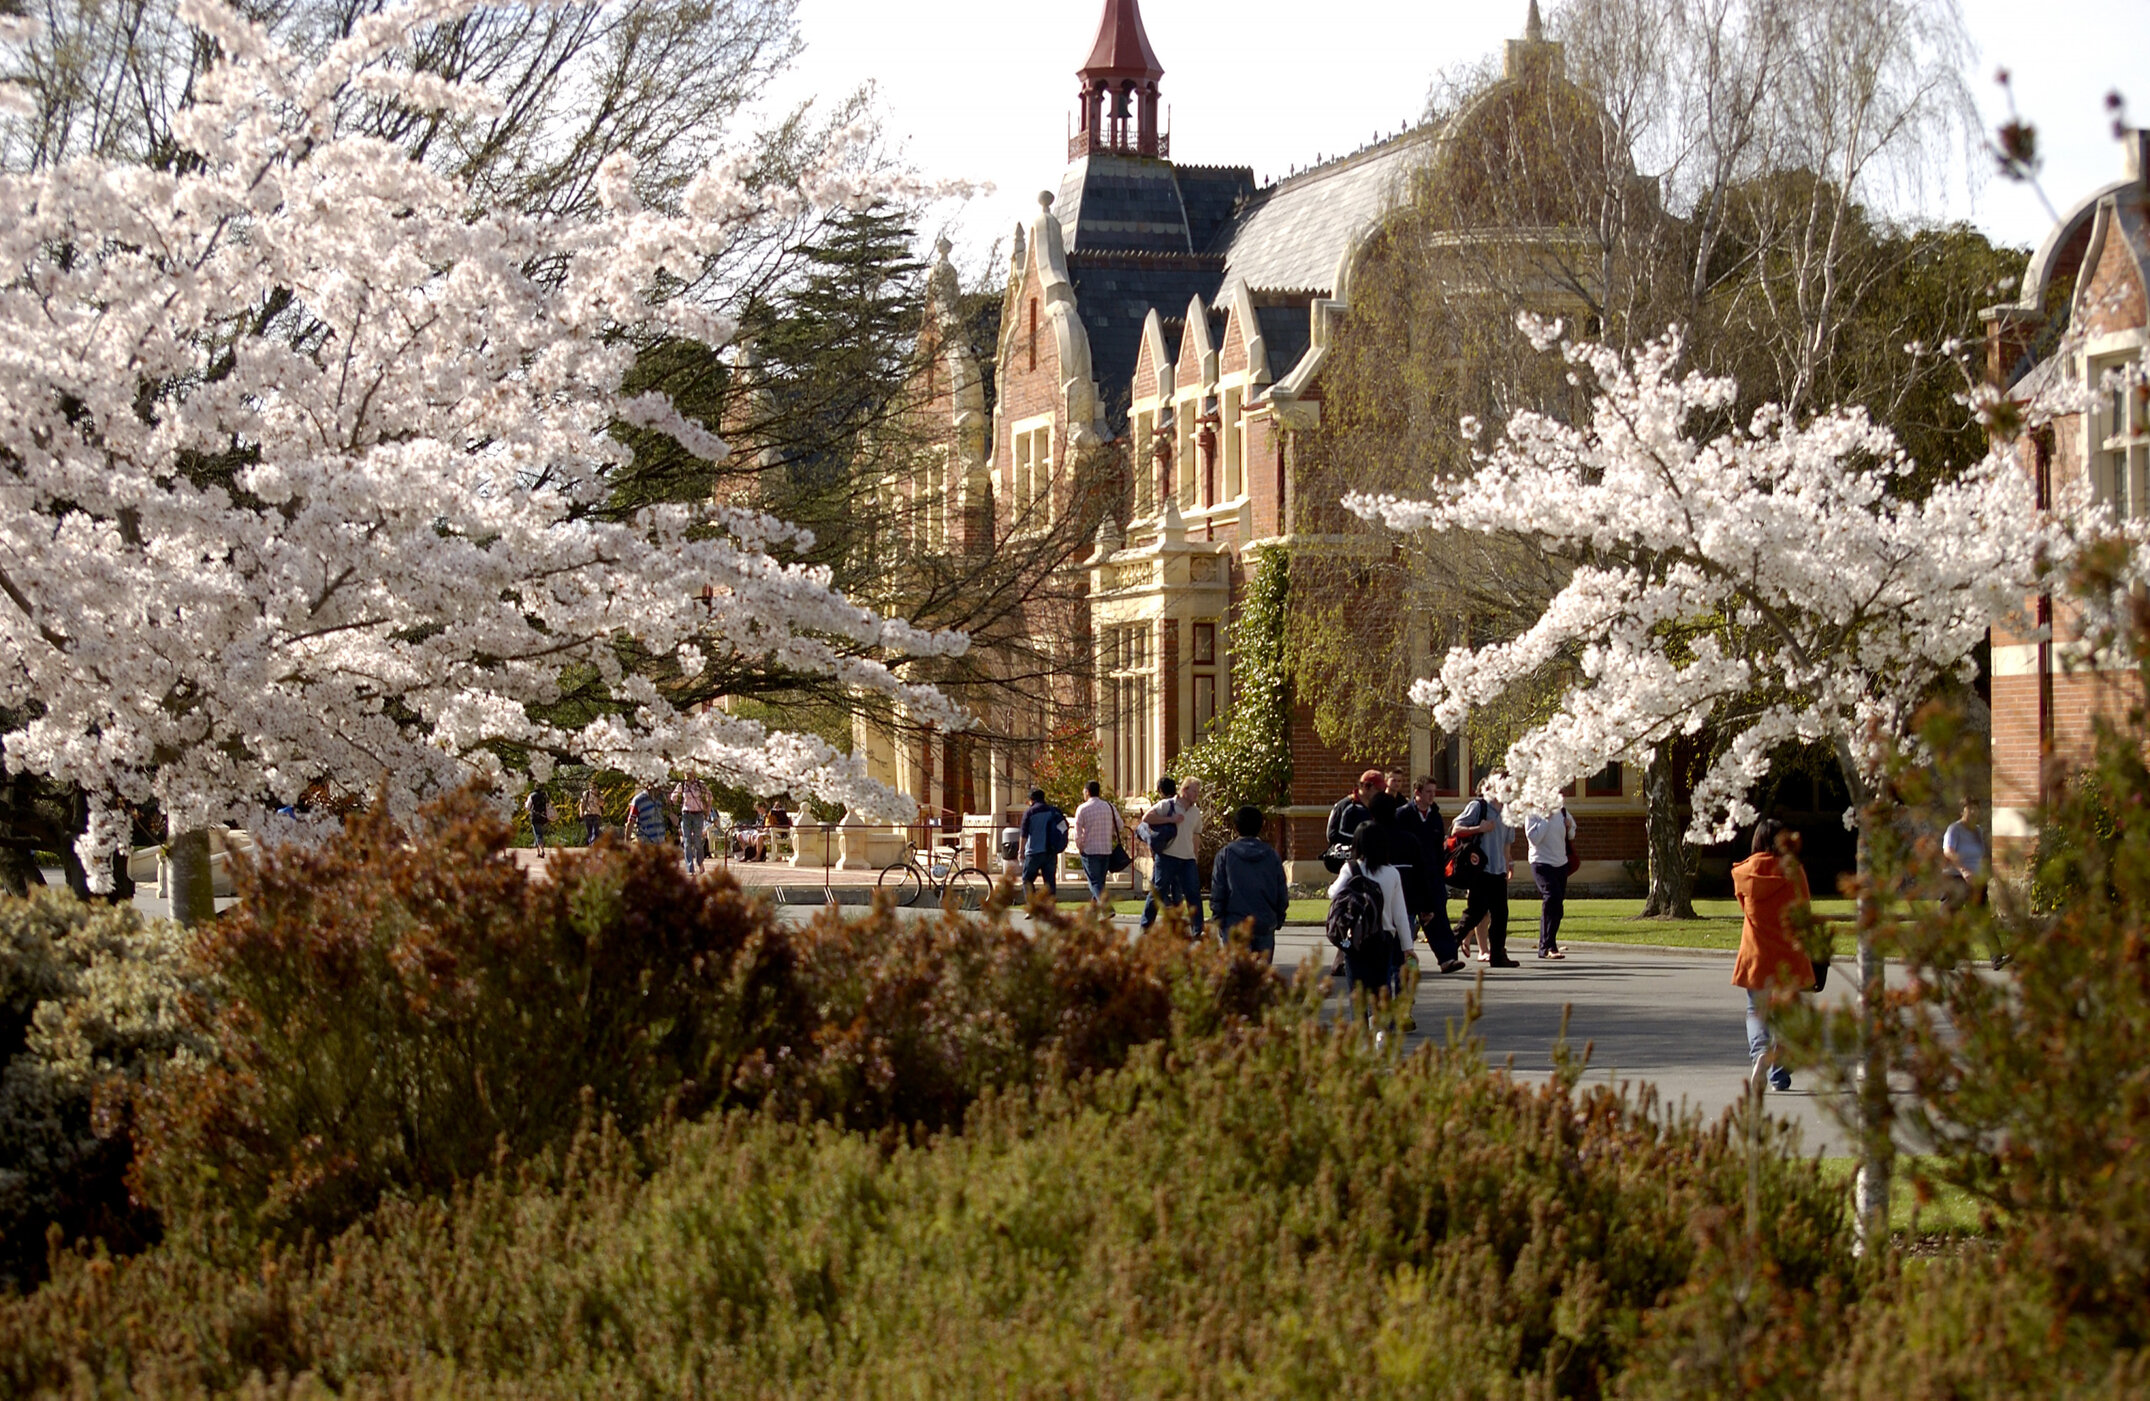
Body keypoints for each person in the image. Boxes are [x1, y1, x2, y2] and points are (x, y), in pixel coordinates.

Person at [1732, 819, 1814, 1093]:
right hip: (1789, 953)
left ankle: (1759, 1056)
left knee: (1756, 1011)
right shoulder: (1794, 871)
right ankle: (1780, 1074)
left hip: (1756, 953)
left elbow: (1745, 907)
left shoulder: (1744, 873)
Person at [1327, 819, 1414, 1030]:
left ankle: (1360, 1036)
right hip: (1382, 939)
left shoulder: (1351, 869)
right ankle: (1380, 1034)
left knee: (1357, 992)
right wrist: (1407, 947)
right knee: (1379, 989)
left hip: (1356, 937)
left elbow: (1333, 893)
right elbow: (1400, 913)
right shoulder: (1392, 873)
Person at [1395, 776, 1464, 973]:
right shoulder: (1403, 815)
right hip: (1409, 875)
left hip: (1432, 874)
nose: (1432, 796)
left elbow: (1438, 847)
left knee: (1438, 916)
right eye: (1428, 792)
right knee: (1405, 918)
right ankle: (1402, 961)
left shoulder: (1434, 816)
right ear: (1417, 792)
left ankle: (1447, 958)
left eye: (1434, 792)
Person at [1453, 785, 1519, 967]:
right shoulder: (1479, 806)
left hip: (1498, 871)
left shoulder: (1508, 811)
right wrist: (1479, 828)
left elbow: (1506, 845)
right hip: (1480, 870)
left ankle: (1497, 955)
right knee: (1475, 913)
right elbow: (1456, 829)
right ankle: (1449, 946)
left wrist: (1507, 866)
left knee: (1500, 915)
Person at [1211, 805, 1289, 961]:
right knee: (1261, 979)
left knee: (1237, 977)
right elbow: (1281, 891)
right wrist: (1278, 918)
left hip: (1234, 923)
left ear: (1236, 827)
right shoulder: (1271, 855)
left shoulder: (1226, 855)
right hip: (1264, 922)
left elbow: (1218, 891)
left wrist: (1218, 918)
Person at [1140, 776, 1205, 938]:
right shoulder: (1167, 805)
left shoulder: (1196, 812)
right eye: (1194, 791)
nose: (1196, 794)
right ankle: (1146, 926)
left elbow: (1196, 835)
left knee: (1193, 893)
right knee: (1158, 891)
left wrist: (1195, 856)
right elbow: (1146, 818)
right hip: (1167, 856)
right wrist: (1170, 819)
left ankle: (1198, 929)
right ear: (1184, 790)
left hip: (1187, 859)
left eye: (1198, 791)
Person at [1524, 805, 1578, 960]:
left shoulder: (1561, 811)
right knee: (1551, 897)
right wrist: (1545, 819)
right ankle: (1546, 947)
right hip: (1541, 863)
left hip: (1560, 863)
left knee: (1558, 905)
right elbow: (1534, 838)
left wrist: (1569, 827)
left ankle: (1551, 943)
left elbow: (1572, 833)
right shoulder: (1533, 812)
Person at [1073, 779, 1122, 902]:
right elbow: (1120, 825)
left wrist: (1080, 846)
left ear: (1087, 792)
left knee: (1094, 882)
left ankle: (1105, 907)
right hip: (1106, 849)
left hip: (1090, 850)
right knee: (1100, 882)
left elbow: (1077, 831)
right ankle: (1094, 912)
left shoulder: (1082, 809)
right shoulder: (1109, 807)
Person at [1017, 787, 1067, 898]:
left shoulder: (1029, 813)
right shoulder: (1053, 811)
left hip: (1033, 852)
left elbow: (1024, 834)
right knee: (1049, 882)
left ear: (1031, 800)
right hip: (1050, 851)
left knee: (1027, 879)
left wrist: (1020, 851)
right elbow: (1063, 828)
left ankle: (1032, 907)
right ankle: (1049, 908)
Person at [1326, 770, 1385, 853]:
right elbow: (1332, 835)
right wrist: (1361, 840)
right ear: (1366, 786)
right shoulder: (1346, 806)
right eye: (1377, 789)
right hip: (1346, 857)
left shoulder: (1377, 807)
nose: (1380, 793)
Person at [673, 775, 712, 873]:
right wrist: (675, 799)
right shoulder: (682, 784)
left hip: (698, 814)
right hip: (686, 814)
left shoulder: (699, 784)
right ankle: (690, 868)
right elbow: (673, 797)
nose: (688, 774)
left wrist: (707, 808)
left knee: (698, 841)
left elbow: (709, 795)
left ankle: (700, 863)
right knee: (687, 841)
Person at [629, 782, 669, 846]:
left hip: (660, 842)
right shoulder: (638, 800)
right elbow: (631, 821)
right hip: (645, 841)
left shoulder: (660, 799)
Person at [525, 785, 551, 855]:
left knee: (537, 833)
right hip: (544, 816)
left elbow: (527, 807)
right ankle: (538, 852)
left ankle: (541, 850)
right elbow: (548, 805)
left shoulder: (532, 796)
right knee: (539, 833)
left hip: (535, 816)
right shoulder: (544, 795)